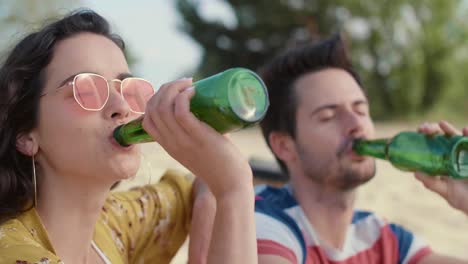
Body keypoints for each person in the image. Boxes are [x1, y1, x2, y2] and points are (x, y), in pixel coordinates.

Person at [0, 9, 257, 264]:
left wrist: (211, 192)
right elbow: (223, 183)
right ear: (25, 135)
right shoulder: (13, 255)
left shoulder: (114, 226)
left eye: (128, 89)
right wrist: (233, 191)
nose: (121, 106)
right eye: (86, 90)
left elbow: (193, 187)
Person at [254, 34, 468, 264]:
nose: (356, 125)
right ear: (284, 146)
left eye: (360, 110)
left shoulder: (382, 239)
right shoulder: (260, 221)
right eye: (328, 116)